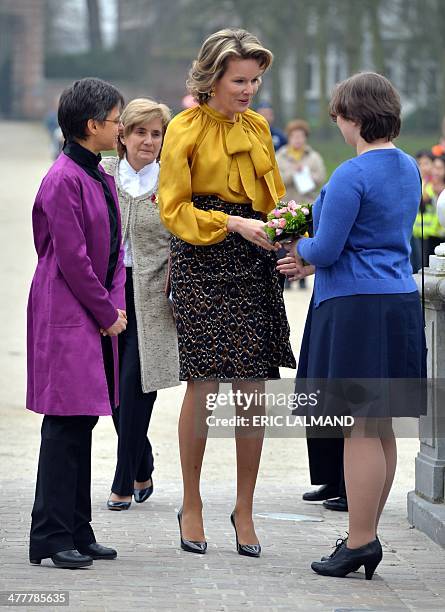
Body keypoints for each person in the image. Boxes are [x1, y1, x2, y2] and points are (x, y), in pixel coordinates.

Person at [279, 72, 427, 579]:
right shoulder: (410, 167)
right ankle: (365, 532)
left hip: (356, 306)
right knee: (380, 424)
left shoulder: (350, 174)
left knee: (357, 426)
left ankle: (361, 539)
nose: (338, 126)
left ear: (356, 118)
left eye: (339, 117)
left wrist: (298, 253)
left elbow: (327, 248)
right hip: (399, 301)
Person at [159, 28, 295, 557]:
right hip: (203, 257)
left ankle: (245, 507)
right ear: (213, 78)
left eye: (255, 80)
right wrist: (234, 225)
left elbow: (273, 196)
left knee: (253, 387)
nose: (249, 90)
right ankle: (191, 503)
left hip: (254, 260)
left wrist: (285, 223)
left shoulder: (259, 127)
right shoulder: (183, 128)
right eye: (240, 80)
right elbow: (172, 209)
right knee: (204, 383)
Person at [27, 78, 126, 569]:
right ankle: (48, 534)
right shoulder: (64, 178)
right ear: (92, 126)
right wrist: (108, 313)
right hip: (69, 313)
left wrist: (114, 304)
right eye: (115, 121)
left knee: (82, 421)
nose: (121, 128)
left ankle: (77, 528)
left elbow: (112, 251)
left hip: (91, 312)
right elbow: (72, 258)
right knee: (65, 425)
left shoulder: (98, 175)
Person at [100, 98, 180, 511]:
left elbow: (184, 239)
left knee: (136, 383)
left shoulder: (172, 181)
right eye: (140, 132)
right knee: (112, 390)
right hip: (108, 294)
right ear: (123, 135)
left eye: (156, 133)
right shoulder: (103, 173)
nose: (148, 141)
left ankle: (122, 482)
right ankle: (143, 463)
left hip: (152, 298)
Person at [275, 119, 326, 204]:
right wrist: (292, 173)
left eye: (301, 136)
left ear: (305, 137)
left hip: (308, 204)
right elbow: (275, 181)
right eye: (294, 136)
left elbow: (321, 178)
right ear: (289, 137)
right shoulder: (279, 157)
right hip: (285, 206)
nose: (297, 139)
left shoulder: (314, 157)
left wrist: (306, 173)